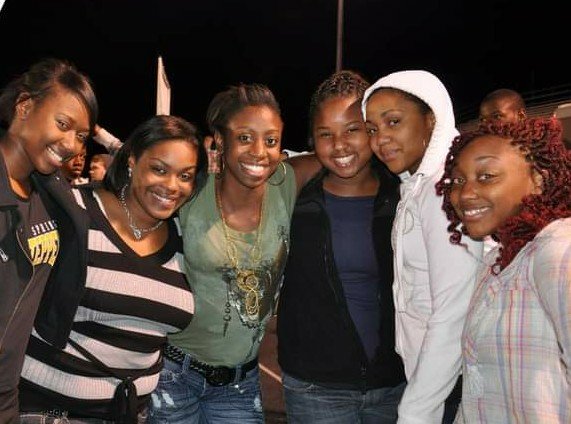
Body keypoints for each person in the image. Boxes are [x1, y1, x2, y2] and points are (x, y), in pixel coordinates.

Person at [149, 83, 319, 423]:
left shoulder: (286, 183)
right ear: (220, 141)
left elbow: (341, 151)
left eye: (271, 140)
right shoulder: (192, 191)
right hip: (175, 373)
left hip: (240, 382)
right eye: (244, 138)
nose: (259, 151)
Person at [18, 115, 202, 423]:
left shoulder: (186, 237)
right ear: (132, 161)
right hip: (45, 409)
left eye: (185, 176)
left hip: (130, 413)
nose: (172, 186)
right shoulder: (75, 210)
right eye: (159, 169)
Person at [277, 70, 406, 423]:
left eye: (352, 130)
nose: (340, 145)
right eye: (325, 134)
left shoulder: (402, 195)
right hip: (316, 388)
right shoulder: (294, 195)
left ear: (371, 130)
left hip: (395, 383)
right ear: (312, 139)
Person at [361, 70, 483, 424]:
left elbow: (453, 312)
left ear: (432, 119)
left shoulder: (443, 190)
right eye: (372, 129)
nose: (381, 139)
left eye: (393, 122)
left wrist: (417, 411)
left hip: (449, 386)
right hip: (435, 380)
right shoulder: (418, 187)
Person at [437, 117, 571, 422]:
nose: (465, 193)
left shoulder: (558, 251)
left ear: (538, 180)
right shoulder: (497, 262)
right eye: (457, 181)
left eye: (486, 176)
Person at [0, 58, 97, 424]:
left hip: (8, 392)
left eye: (82, 136)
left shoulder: (51, 198)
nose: (71, 144)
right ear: (25, 107)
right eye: (63, 124)